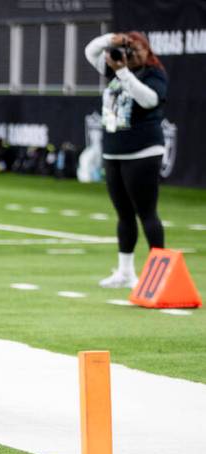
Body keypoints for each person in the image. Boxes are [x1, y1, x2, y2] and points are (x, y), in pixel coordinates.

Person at [85, 31, 168, 289]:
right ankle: (125, 271)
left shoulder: (154, 74)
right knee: (124, 214)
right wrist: (114, 40)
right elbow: (90, 50)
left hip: (143, 151)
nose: (134, 54)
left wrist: (124, 73)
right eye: (130, 49)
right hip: (114, 151)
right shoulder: (115, 68)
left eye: (139, 49)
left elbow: (149, 99)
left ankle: (160, 274)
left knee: (147, 213)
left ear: (148, 51)